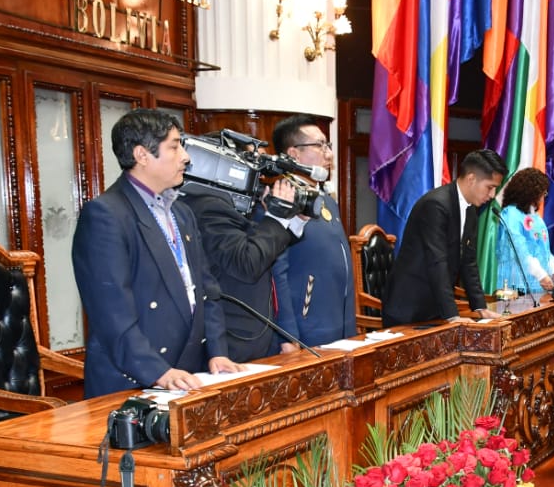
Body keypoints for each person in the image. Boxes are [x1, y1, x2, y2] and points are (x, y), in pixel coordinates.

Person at [72, 109, 241, 398]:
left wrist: (216, 351)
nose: (185, 157)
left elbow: (206, 289)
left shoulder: (182, 212)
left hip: (187, 375)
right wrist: (157, 372)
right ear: (142, 155)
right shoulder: (106, 215)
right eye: (174, 147)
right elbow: (111, 313)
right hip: (133, 381)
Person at [183, 174, 306, 363]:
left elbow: (265, 244)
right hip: (230, 344)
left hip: (259, 337)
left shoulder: (235, 202)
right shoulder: (208, 206)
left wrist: (293, 219)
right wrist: (276, 218)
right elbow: (247, 263)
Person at [381, 149, 506, 326]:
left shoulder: (470, 209)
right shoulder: (436, 205)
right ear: (471, 179)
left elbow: (468, 262)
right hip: (409, 307)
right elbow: (436, 261)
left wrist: (480, 307)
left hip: (435, 307)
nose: (492, 195)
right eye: (490, 187)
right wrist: (452, 316)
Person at [270, 115, 357, 346]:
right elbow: (276, 272)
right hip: (308, 328)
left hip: (340, 321)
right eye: (319, 145)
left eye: (327, 145)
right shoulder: (282, 198)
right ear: (293, 154)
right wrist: (287, 335)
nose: (328, 154)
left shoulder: (324, 199)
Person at [492, 167, 554, 296]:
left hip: (537, 287)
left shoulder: (535, 218)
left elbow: (544, 250)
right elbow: (520, 250)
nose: (543, 198)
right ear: (531, 192)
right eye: (543, 193)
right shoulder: (511, 214)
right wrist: (541, 275)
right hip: (517, 288)